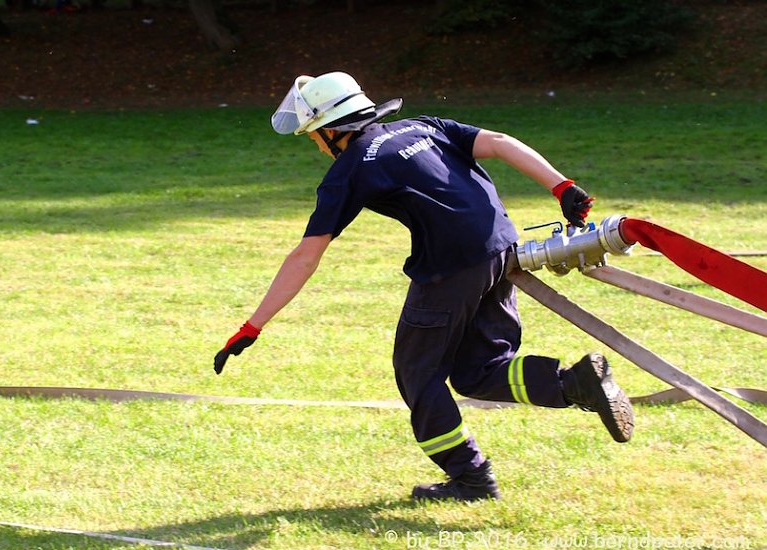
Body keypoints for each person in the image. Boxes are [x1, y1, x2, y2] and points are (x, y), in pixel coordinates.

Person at [214, 71, 634, 502]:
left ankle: (471, 479)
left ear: (331, 130)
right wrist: (562, 186)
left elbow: (306, 256)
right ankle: (576, 383)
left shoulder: (352, 167)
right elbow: (500, 142)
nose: (317, 147)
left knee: (417, 373)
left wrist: (252, 326)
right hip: (500, 247)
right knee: (478, 372)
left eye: (314, 137)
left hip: (450, 267)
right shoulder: (422, 126)